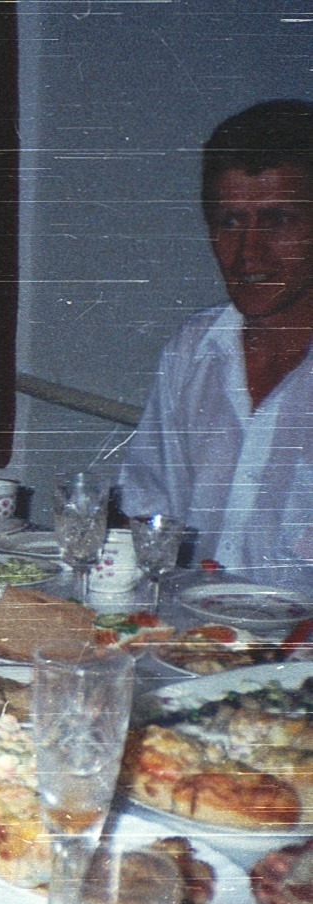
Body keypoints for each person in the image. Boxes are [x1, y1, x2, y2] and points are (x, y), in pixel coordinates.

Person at [118, 99, 313, 592]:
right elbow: (146, 510)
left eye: (278, 221)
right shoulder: (194, 350)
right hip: (191, 643)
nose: (249, 252)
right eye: (230, 222)